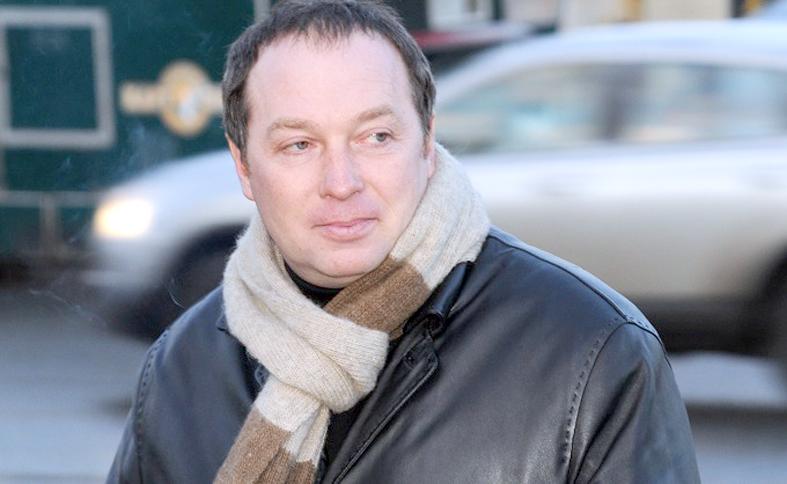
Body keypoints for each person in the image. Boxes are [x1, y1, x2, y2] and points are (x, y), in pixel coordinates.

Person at [108, 1, 700, 483]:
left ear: (426, 143)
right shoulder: (179, 370)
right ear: (243, 167)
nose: (342, 182)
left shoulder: (594, 353)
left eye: (376, 136)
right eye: (299, 145)